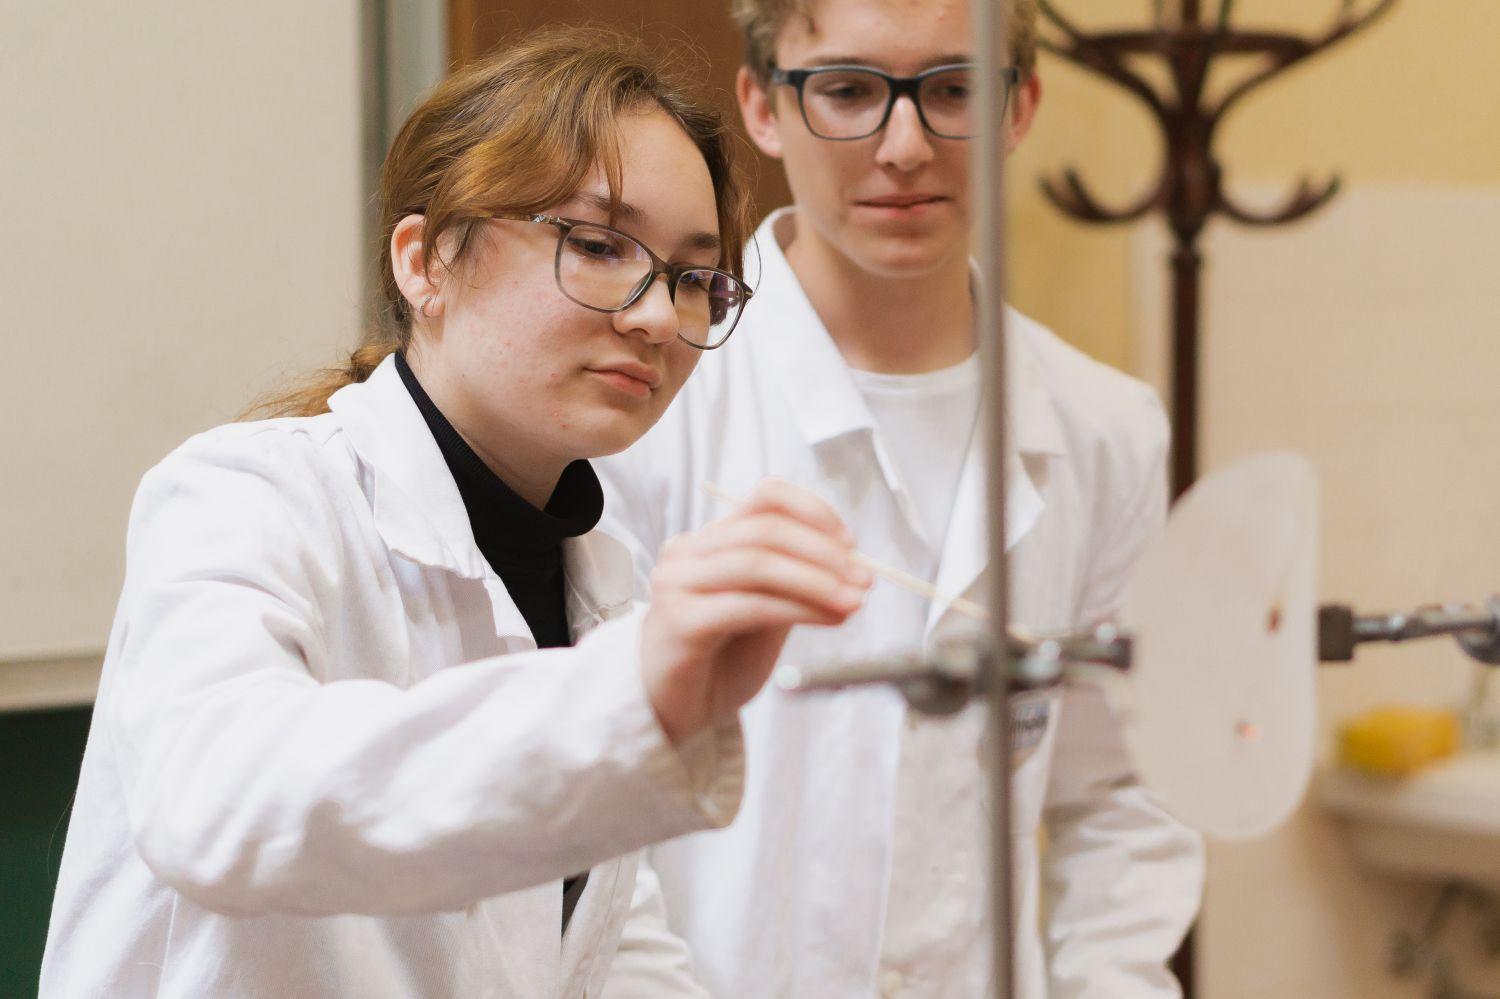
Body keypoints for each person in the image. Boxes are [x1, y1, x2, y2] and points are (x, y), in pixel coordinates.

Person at [39, 27, 871, 999]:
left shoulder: (597, 575)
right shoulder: (244, 498)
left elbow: (604, 951)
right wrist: (629, 690)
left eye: (693, 279)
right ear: (426, 261)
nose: (656, 317)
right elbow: (220, 801)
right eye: (600, 246)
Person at [594, 0, 1206, 996]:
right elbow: (590, 803)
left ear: (1018, 109)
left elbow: (1117, 794)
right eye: (847, 90)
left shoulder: (1107, 429)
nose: (906, 146)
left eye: (954, 89)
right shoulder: (650, 401)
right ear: (762, 106)